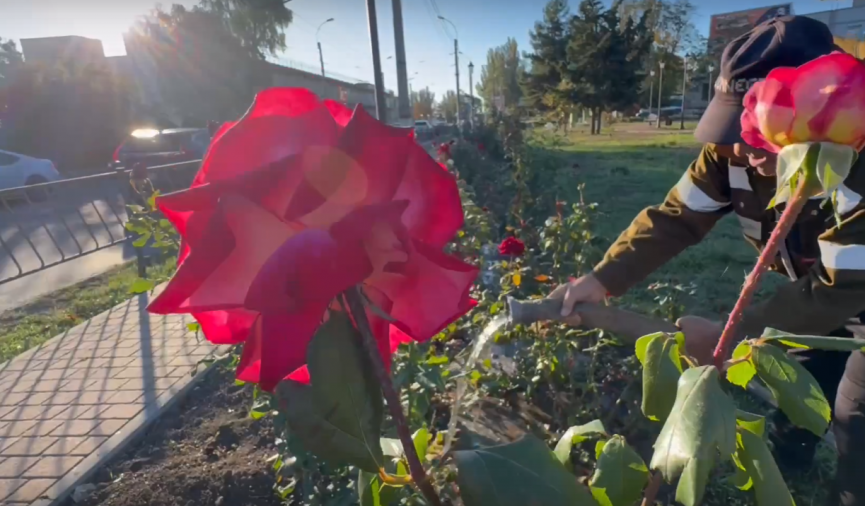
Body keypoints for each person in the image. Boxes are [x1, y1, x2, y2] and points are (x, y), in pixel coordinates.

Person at [549, 16, 865, 506]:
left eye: (761, 127)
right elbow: (676, 217)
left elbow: (842, 286)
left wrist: (730, 337)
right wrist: (602, 277)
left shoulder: (856, 161)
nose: (741, 145)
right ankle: (790, 463)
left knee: (855, 416)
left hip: (855, 290)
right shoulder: (730, 154)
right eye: (736, 120)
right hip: (809, 289)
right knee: (800, 379)